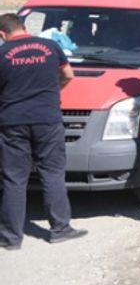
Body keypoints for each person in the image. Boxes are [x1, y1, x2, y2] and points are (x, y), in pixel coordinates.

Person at [0, 13, 86, 249]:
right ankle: (60, 229)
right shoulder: (50, 46)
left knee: (14, 179)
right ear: (25, 27)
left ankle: (11, 239)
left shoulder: (2, 53)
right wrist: (52, 90)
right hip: (47, 119)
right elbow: (68, 74)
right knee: (52, 173)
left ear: (2, 34)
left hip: (12, 122)